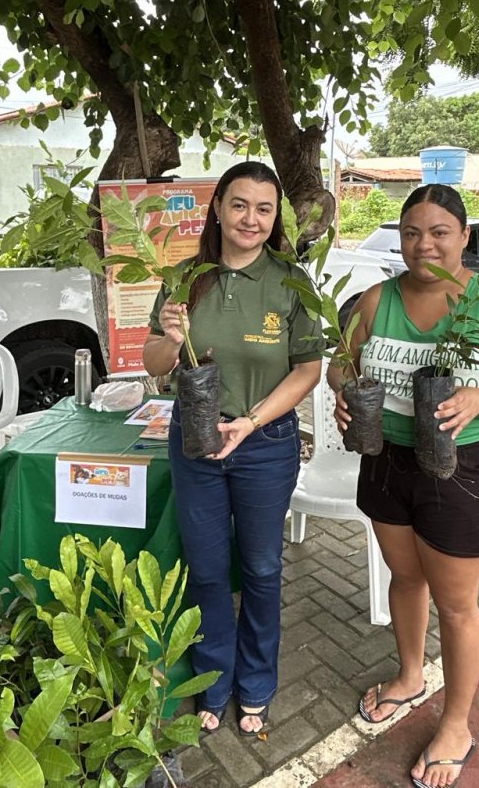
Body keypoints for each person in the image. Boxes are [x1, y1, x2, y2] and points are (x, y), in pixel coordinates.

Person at [328, 184, 479, 788]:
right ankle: (409, 676)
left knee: (456, 604)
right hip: (386, 457)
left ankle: (456, 722)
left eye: (439, 232)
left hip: (466, 464)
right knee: (406, 578)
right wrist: (344, 392)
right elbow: (341, 363)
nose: (423, 244)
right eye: (410, 233)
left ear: (464, 238)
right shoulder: (376, 300)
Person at [143, 161, 323, 737]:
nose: (251, 218)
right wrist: (170, 340)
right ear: (217, 206)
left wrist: (249, 421)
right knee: (208, 569)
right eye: (240, 204)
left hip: (264, 442)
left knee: (263, 567)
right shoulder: (183, 277)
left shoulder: (291, 282)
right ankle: (213, 682)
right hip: (194, 440)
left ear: (275, 219)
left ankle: (256, 685)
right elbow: (151, 366)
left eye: (264, 209)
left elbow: (308, 370)